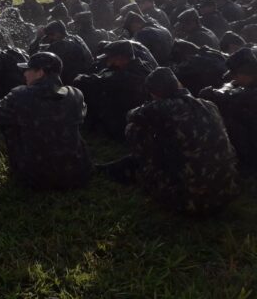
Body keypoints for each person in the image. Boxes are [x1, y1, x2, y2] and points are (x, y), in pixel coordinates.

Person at [99, 68, 239, 215]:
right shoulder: (209, 105)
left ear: (155, 92)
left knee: (134, 128)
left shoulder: (162, 106)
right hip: (226, 192)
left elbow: (131, 115)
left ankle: (141, 171)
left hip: (191, 201)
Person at [0, 52, 92, 190]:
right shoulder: (76, 93)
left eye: (28, 70)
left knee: (9, 122)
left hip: (36, 178)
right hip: (77, 172)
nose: (24, 74)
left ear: (40, 73)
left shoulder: (19, 94)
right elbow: (80, 117)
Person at [74, 40, 152, 141]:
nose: (108, 61)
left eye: (110, 58)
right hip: (137, 112)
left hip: (128, 119)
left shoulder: (126, 75)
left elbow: (100, 80)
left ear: (120, 57)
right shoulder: (143, 65)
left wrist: (81, 78)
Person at [200, 47, 257, 174]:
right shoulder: (249, 82)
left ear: (245, 74)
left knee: (233, 119)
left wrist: (215, 93)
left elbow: (233, 96)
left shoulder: (249, 95)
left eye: (236, 76)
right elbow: (232, 85)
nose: (235, 79)